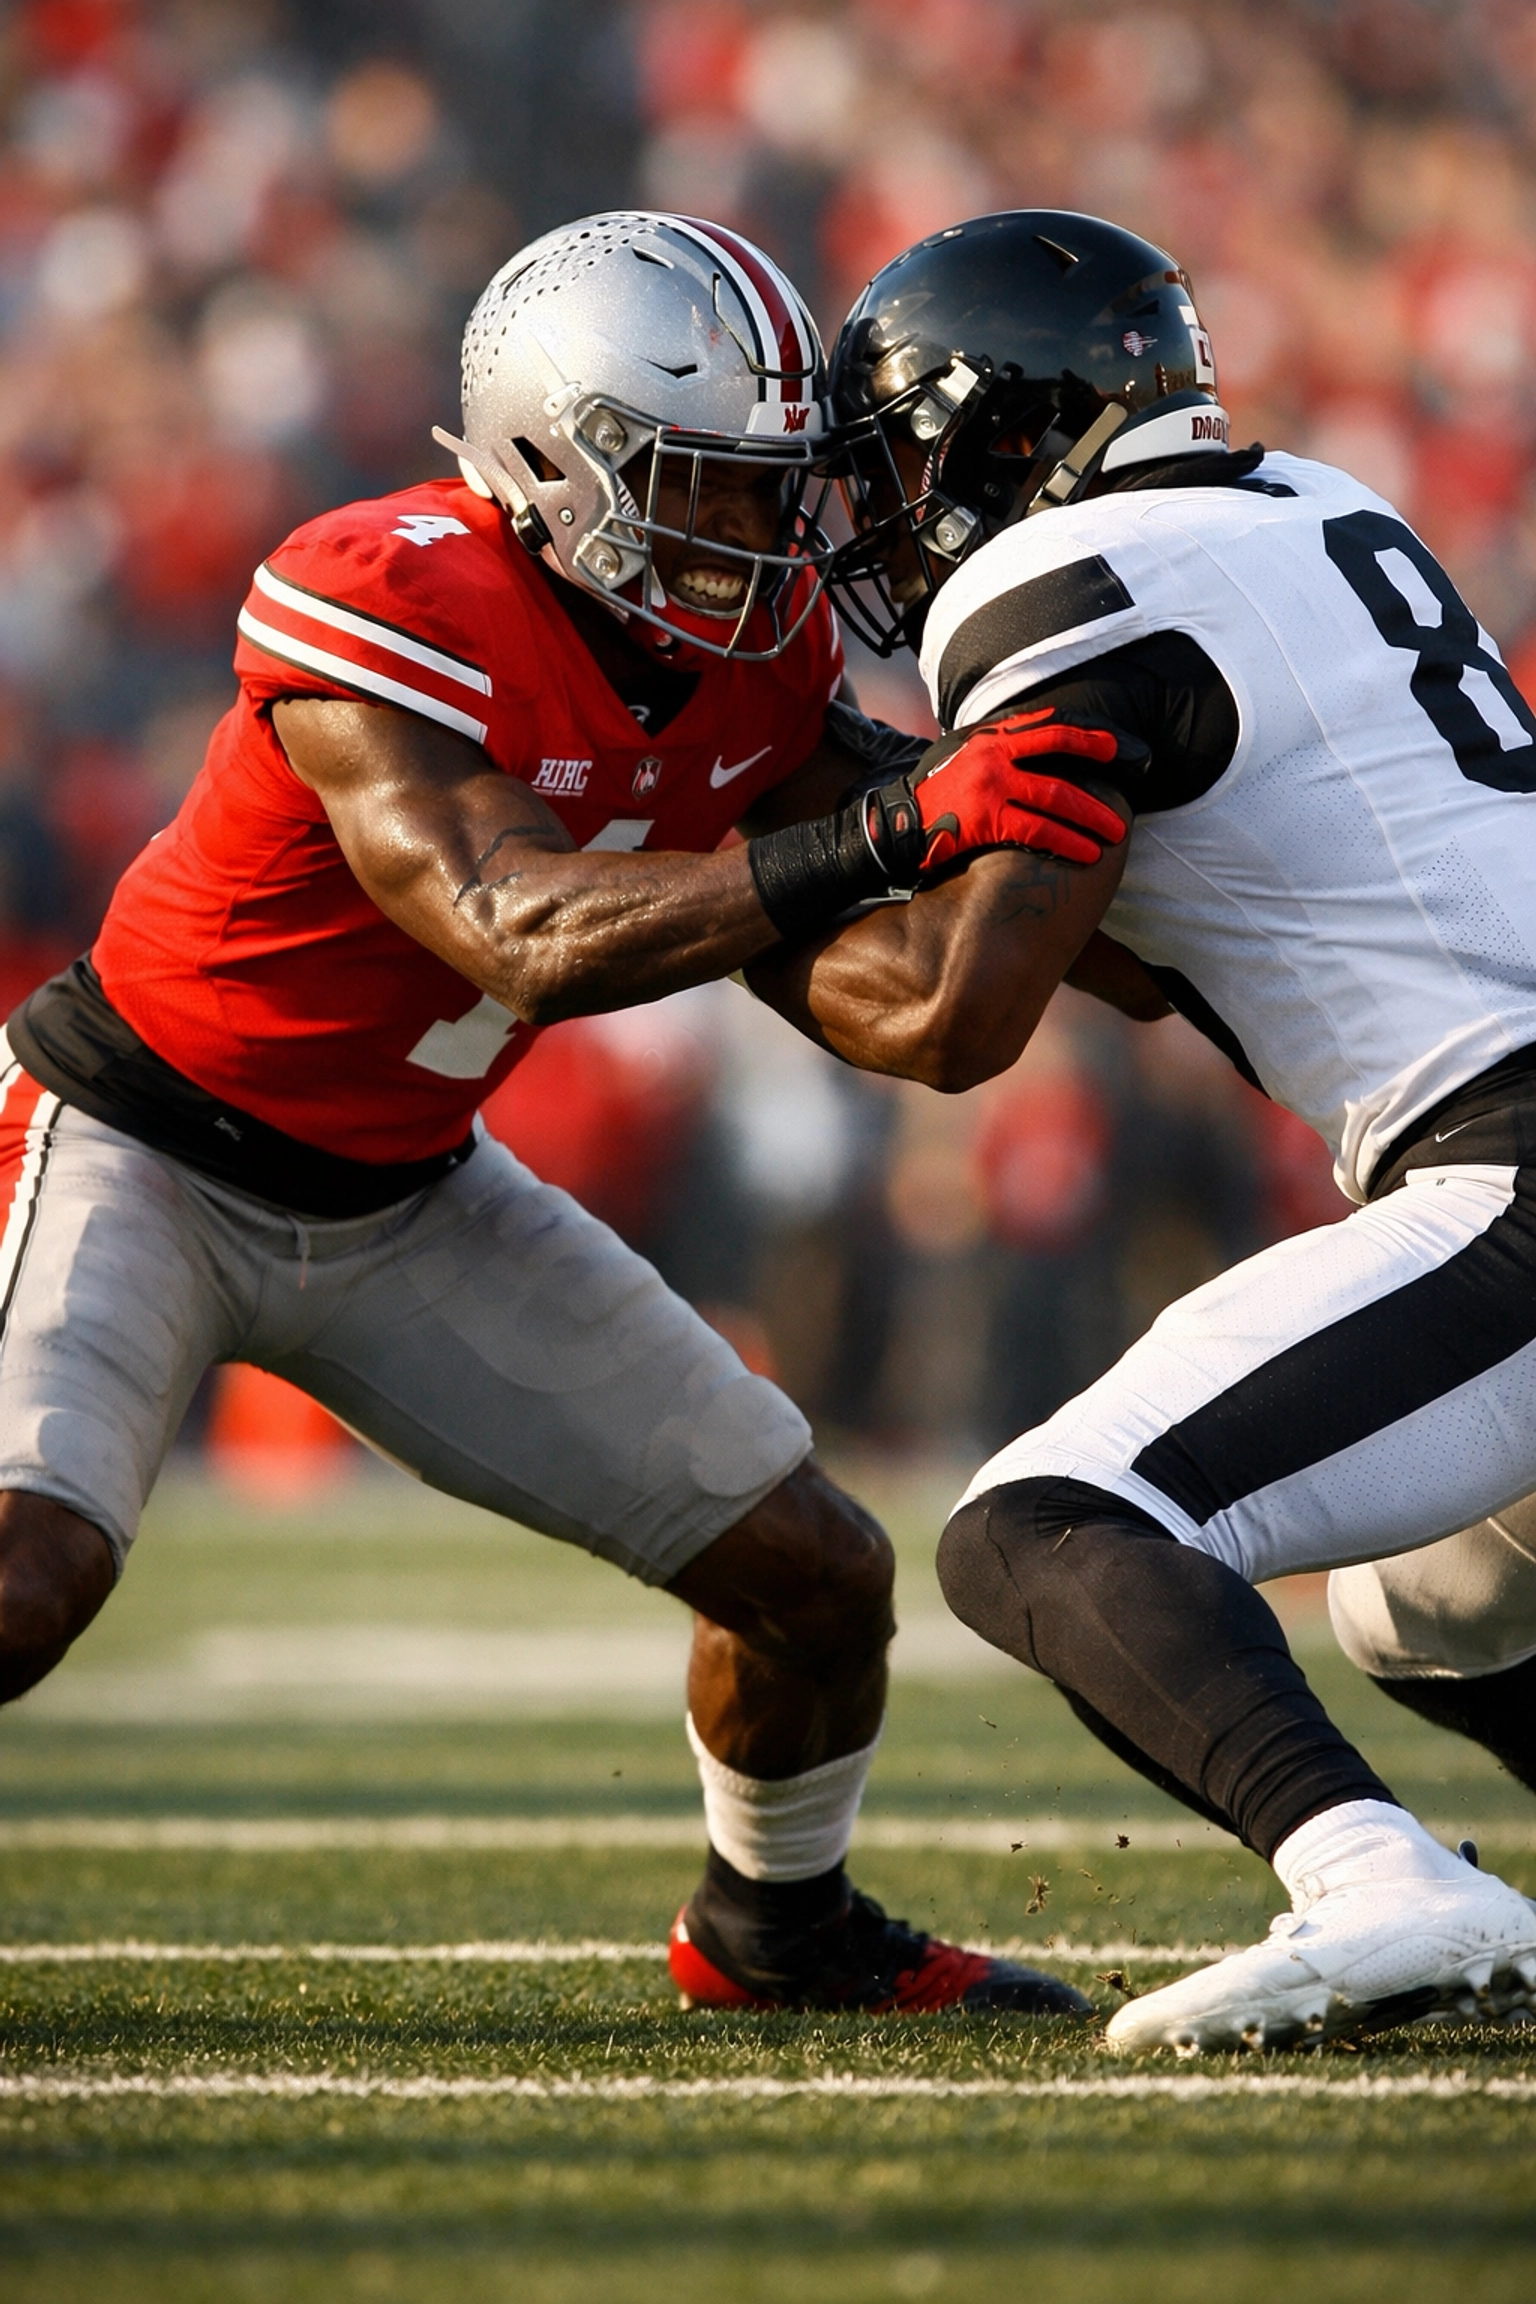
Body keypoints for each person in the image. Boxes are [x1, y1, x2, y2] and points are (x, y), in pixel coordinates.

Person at [0, 212, 1121, 2019]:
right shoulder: (385, 589)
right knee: (21, 1577)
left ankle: (774, 1932)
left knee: (817, 1579)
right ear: (551, 457)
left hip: (409, 1197)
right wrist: (902, 825)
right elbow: (509, 930)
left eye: (781, 488)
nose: (762, 536)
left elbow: (905, 1007)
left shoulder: (748, 672)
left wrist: (1091, 812)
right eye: (710, 483)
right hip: (138, 1138)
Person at [742, 207, 1536, 2051]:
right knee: (1433, 1608)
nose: (888, 510)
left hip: (1509, 1168)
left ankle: (1376, 1877)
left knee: (1041, 1523)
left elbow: (958, 1017)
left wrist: (734, 873)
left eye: (907, 457)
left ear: (1010, 429)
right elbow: (1156, 948)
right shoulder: (1317, 507)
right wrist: (886, 788)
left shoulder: (1058, 587)